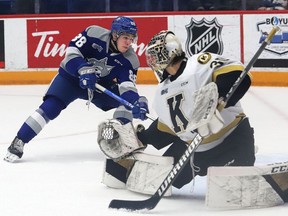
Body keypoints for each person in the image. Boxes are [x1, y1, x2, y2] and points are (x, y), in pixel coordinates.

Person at [98, 30, 255, 193]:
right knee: (162, 179)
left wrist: (219, 99)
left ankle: (245, 156)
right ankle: (123, 170)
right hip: (194, 149)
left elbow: (238, 74)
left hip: (232, 140)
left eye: (155, 55)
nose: (153, 61)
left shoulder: (199, 63)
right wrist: (140, 138)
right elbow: (166, 128)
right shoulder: (161, 93)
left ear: (167, 52)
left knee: (234, 186)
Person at [4, 16, 149, 163]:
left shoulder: (130, 60)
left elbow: (127, 87)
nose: (129, 42)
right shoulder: (93, 33)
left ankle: (122, 141)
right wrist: (82, 68)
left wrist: (136, 102)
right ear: (115, 34)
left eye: (132, 38)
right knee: (51, 107)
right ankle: (20, 140)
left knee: (125, 103)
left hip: (97, 86)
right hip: (71, 79)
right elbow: (72, 52)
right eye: (125, 37)